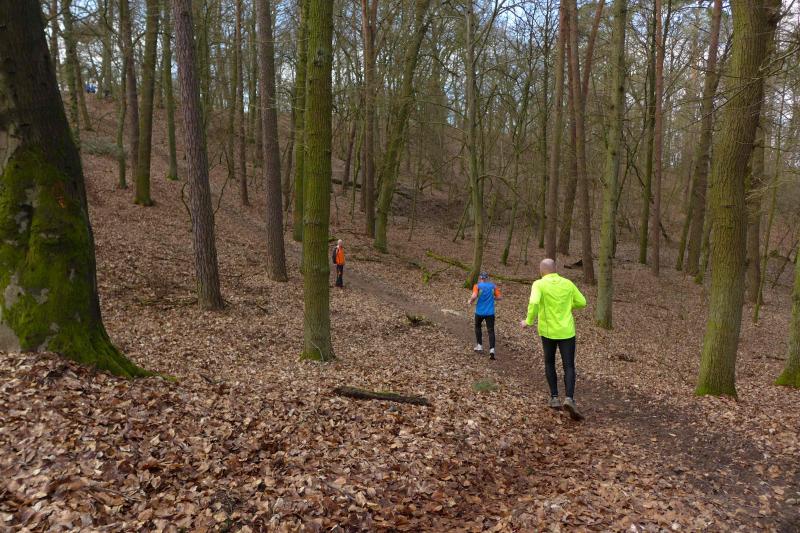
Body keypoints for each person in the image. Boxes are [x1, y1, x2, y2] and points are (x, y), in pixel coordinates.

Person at [520, 258, 587, 420]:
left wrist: (528, 321)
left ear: (541, 270)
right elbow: (582, 302)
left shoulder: (539, 284)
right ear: (555, 269)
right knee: (569, 365)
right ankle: (569, 398)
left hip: (548, 331)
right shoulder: (568, 283)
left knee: (549, 362)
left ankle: (554, 397)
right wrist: (568, 306)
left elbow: (534, 302)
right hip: (567, 331)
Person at [468, 271, 502, 360]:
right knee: (491, 331)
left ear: (480, 278)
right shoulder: (493, 286)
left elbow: (474, 296)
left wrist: (470, 301)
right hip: (490, 313)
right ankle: (492, 350)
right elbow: (499, 297)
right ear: (487, 278)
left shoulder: (477, 286)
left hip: (479, 312)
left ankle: (479, 346)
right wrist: (493, 298)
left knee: (478, 327)